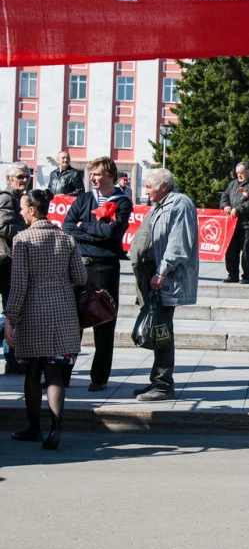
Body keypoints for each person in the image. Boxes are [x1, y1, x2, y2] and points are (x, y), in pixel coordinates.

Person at [4, 188, 87, 449]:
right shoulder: (66, 238)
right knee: (54, 375)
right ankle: (56, 429)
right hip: (63, 312)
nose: (19, 211)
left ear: (31, 210)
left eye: (22, 207)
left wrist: (10, 318)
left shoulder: (23, 239)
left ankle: (34, 429)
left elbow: (18, 284)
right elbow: (81, 278)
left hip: (33, 313)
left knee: (32, 372)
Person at [62, 157, 132, 392]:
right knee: (72, 324)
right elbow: (68, 226)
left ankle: (99, 378)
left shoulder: (122, 201)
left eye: (98, 173)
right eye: (91, 173)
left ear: (110, 175)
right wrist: (93, 235)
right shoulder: (83, 198)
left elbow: (113, 233)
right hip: (78, 266)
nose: (92, 177)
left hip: (105, 267)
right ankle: (63, 375)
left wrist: (84, 227)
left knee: (104, 322)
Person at [130, 168, 198, 402]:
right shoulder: (160, 204)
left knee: (161, 331)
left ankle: (162, 384)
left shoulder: (180, 204)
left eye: (149, 186)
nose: (145, 191)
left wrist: (161, 272)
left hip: (167, 280)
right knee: (159, 329)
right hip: (155, 279)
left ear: (163, 187)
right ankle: (158, 382)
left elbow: (179, 244)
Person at [0, 162, 31, 374]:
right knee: (11, 312)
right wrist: (28, 230)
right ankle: (12, 359)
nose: (24, 180)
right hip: (4, 260)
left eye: (27, 176)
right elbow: (2, 226)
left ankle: (13, 360)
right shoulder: (6, 197)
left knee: (13, 312)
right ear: (9, 179)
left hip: (11, 261)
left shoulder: (21, 198)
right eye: (20, 176)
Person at [220, 162, 249, 284]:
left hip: (247, 224)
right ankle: (232, 275)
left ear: (248, 172)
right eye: (237, 173)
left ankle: (247, 276)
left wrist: (238, 208)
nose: (239, 176)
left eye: (241, 173)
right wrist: (225, 206)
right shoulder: (232, 184)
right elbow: (224, 197)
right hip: (231, 224)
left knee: (246, 252)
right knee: (231, 251)